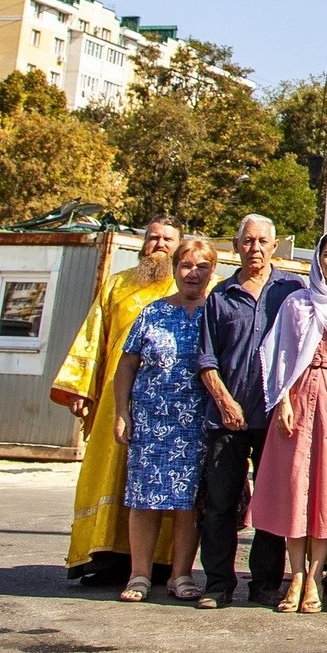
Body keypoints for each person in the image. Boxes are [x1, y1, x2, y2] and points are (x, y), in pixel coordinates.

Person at [52, 213, 184, 583]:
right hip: (117, 400)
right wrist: (82, 388)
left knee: (160, 479)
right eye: (153, 237)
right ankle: (101, 555)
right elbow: (92, 338)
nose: (159, 244)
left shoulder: (189, 285)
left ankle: (155, 563)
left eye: (167, 240)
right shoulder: (117, 285)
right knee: (109, 474)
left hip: (167, 405)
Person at [249, 230, 327, 614]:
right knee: (294, 488)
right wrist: (283, 402)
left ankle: (316, 577)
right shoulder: (296, 303)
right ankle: (296, 576)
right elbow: (281, 355)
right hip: (299, 397)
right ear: (317, 257)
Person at [193, 214, 305, 609]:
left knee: (271, 505)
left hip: (275, 416)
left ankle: (264, 584)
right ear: (236, 245)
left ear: (275, 246)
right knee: (220, 504)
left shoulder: (293, 291)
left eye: (262, 242)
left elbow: (303, 350)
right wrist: (224, 401)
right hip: (226, 418)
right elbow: (206, 358)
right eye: (247, 241)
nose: (254, 248)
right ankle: (218, 584)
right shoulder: (220, 296)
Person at [111, 234, 218, 602]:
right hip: (151, 420)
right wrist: (121, 412)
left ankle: (181, 575)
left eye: (201, 267)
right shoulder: (152, 313)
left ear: (212, 272)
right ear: (175, 269)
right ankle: (139, 575)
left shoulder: (215, 312)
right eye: (186, 265)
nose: (193, 273)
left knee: (188, 503)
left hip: (196, 424)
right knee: (144, 499)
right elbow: (127, 364)